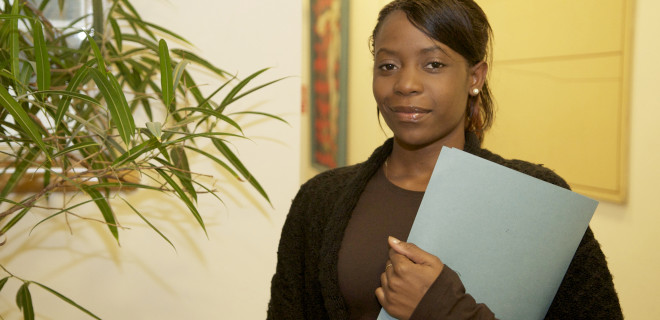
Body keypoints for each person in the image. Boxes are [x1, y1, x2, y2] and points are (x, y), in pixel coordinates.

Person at [268, 0, 622, 319]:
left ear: (474, 77)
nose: (405, 83)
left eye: (433, 64)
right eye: (388, 65)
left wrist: (444, 309)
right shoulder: (319, 201)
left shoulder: (537, 200)